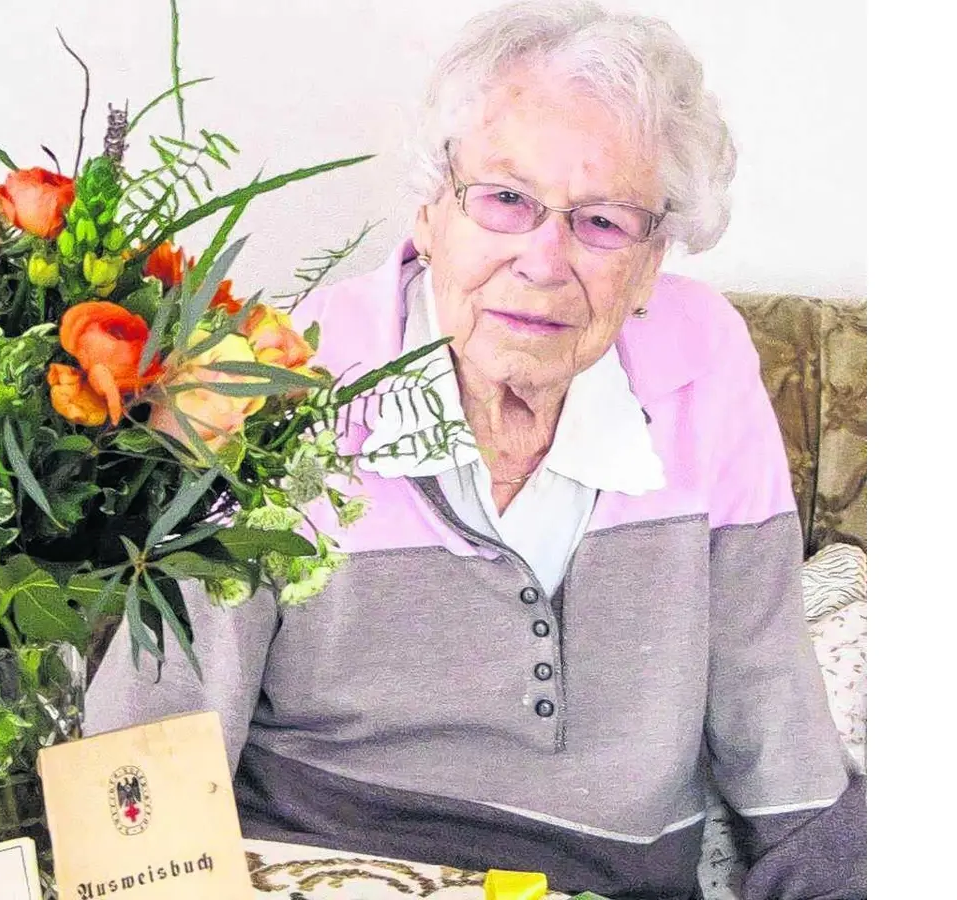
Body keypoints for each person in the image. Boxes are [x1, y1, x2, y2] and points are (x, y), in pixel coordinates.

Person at [87, 2, 865, 897]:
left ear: (652, 262)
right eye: (505, 200)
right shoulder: (279, 375)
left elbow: (771, 699)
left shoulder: (703, 362)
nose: (543, 260)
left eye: (604, 222)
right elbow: (154, 736)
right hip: (323, 870)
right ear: (430, 211)